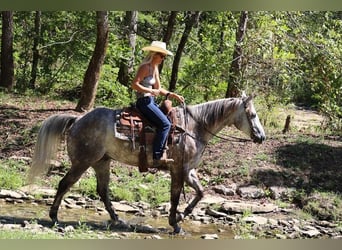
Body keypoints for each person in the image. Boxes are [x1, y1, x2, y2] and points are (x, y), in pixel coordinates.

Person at [131, 41, 184, 168]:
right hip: (144, 101)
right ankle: (157, 156)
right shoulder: (145, 67)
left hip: (151, 101)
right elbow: (134, 84)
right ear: (154, 54)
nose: (163, 58)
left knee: (166, 119)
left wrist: (172, 95)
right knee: (165, 124)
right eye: (162, 56)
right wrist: (150, 91)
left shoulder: (154, 69)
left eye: (164, 56)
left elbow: (158, 89)